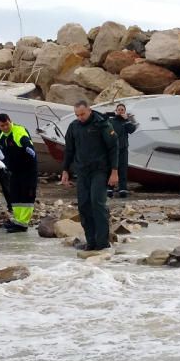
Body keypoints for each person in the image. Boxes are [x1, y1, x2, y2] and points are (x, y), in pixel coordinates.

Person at [60, 100, 119, 251]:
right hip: (82, 172)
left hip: (100, 171)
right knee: (84, 206)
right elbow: (69, 150)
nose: (80, 117)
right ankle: (91, 241)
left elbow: (113, 147)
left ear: (90, 110)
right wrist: (65, 170)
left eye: (82, 114)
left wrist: (114, 171)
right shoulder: (74, 126)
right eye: (77, 115)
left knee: (97, 204)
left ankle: (102, 242)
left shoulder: (102, 124)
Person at [0, 113, 37, 233]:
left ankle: (23, 223)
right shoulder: (2, 136)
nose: (5, 127)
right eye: (2, 126)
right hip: (15, 171)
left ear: (10, 121)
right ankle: (18, 220)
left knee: (26, 197)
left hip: (27, 170)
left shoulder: (18, 131)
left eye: (7, 124)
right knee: (15, 196)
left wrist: (28, 148)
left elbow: (28, 146)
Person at [106, 102, 137, 199]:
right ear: (116, 111)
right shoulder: (111, 121)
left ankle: (122, 190)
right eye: (118, 110)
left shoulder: (126, 121)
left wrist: (127, 119)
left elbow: (132, 130)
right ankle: (109, 189)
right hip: (112, 149)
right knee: (111, 169)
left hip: (123, 148)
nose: (120, 111)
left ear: (125, 111)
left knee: (123, 169)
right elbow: (104, 119)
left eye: (122, 110)